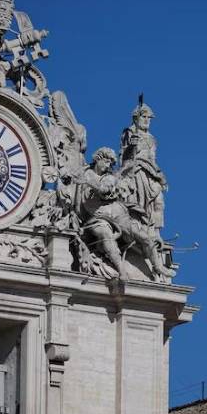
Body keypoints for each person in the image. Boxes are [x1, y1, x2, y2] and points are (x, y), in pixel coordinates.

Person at [76, 147, 175, 281]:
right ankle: (121, 270)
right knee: (106, 235)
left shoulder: (109, 177)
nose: (108, 166)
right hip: (97, 218)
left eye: (111, 164)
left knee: (144, 237)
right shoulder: (83, 173)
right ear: (98, 159)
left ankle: (158, 266)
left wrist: (88, 183)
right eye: (106, 162)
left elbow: (105, 190)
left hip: (118, 214)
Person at [119, 100, 166, 234]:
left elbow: (152, 159)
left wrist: (161, 176)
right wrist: (131, 146)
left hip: (151, 173)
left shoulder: (152, 138)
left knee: (159, 201)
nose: (147, 120)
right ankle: (140, 227)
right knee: (140, 203)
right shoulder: (129, 133)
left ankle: (155, 232)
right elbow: (124, 156)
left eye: (148, 118)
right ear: (136, 118)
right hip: (137, 171)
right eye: (143, 117)